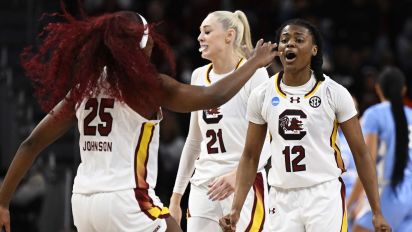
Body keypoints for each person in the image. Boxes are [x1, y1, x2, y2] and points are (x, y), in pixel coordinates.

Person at [0, 9, 278, 232]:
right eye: (151, 39)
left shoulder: (83, 89)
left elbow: (30, 144)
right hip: (127, 199)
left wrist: (3, 202)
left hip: (83, 203)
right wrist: (254, 62)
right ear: (141, 44)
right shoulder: (148, 87)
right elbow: (214, 96)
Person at [219, 18, 391, 232]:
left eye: (299, 39)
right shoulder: (261, 94)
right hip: (281, 197)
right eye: (284, 40)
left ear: (314, 50)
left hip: (323, 195)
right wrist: (236, 208)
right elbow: (250, 156)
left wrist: (376, 211)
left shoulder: (333, 92)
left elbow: (361, 153)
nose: (290, 44)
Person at [169, 10, 271, 232]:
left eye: (207, 31)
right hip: (203, 186)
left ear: (229, 35)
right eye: (199, 32)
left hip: (245, 185)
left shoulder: (256, 74)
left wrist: (237, 176)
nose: (200, 37)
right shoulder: (198, 76)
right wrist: (176, 198)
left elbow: (269, 143)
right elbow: (194, 142)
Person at [349, 66, 412, 232]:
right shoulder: (411, 115)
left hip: (388, 191)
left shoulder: (374, 114)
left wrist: (350, 203)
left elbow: (367, 161)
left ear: (378, 88)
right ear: (403, 90)